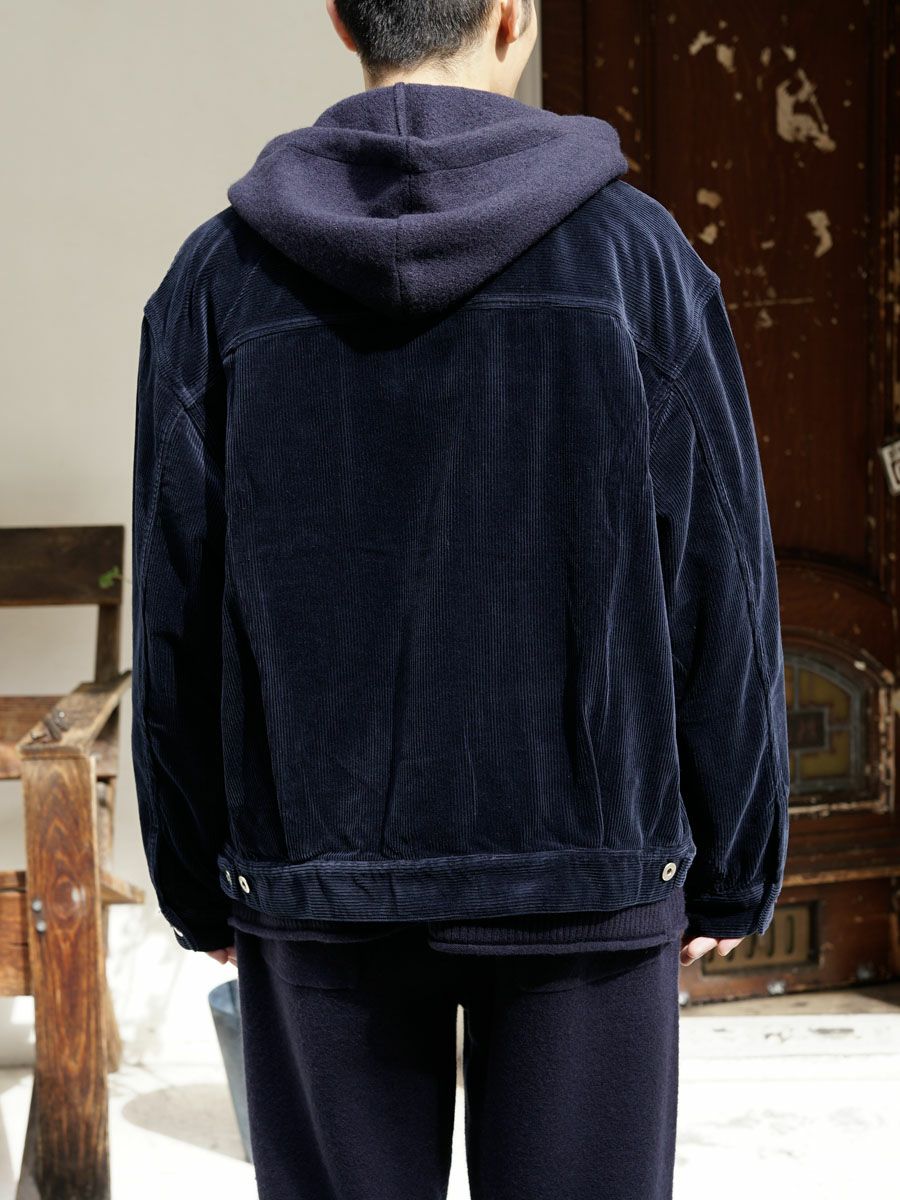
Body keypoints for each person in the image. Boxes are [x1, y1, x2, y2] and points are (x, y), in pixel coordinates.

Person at [130, 1, 791, 1195]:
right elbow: (721, 581)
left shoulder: (218, 280)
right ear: (512, 17)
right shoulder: (637, 259)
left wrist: (197, 881)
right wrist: (738, 859)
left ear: (343, 22)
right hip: (587, 869)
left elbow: (174, 606)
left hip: (314, 867)